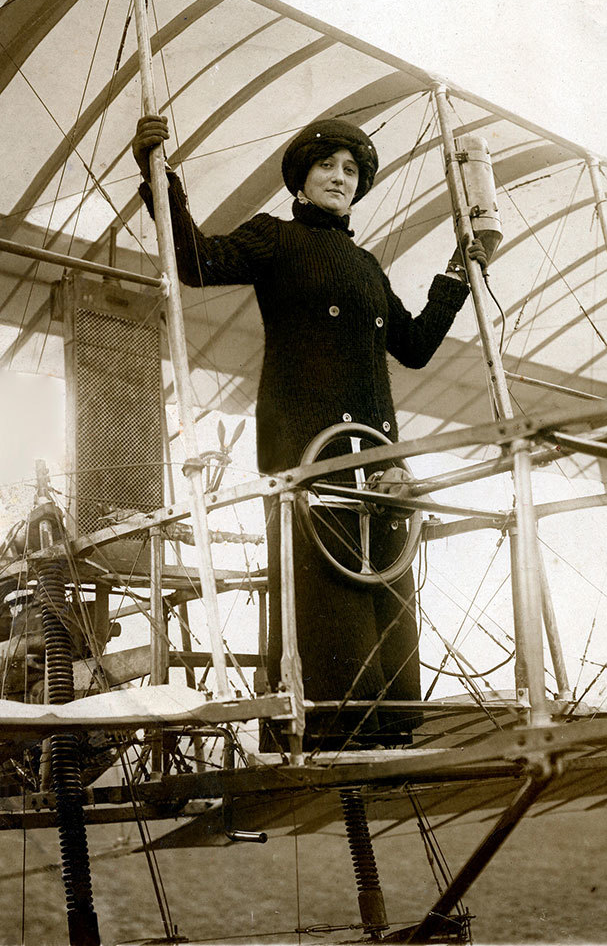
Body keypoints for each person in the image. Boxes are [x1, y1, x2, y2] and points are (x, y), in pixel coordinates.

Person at [132, 115, 486, 750]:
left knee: (385, 577)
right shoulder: (275, 238)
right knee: (324, 583)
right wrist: (160, 179)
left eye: (351, 171)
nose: (340, 178)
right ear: (300, 181)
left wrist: (457, 275)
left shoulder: (367, 266)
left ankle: (392, 725)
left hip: (377, 456)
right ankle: (331, 727)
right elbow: (196, 261)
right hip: (307, 446)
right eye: (328, 167)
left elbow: (414, 346)